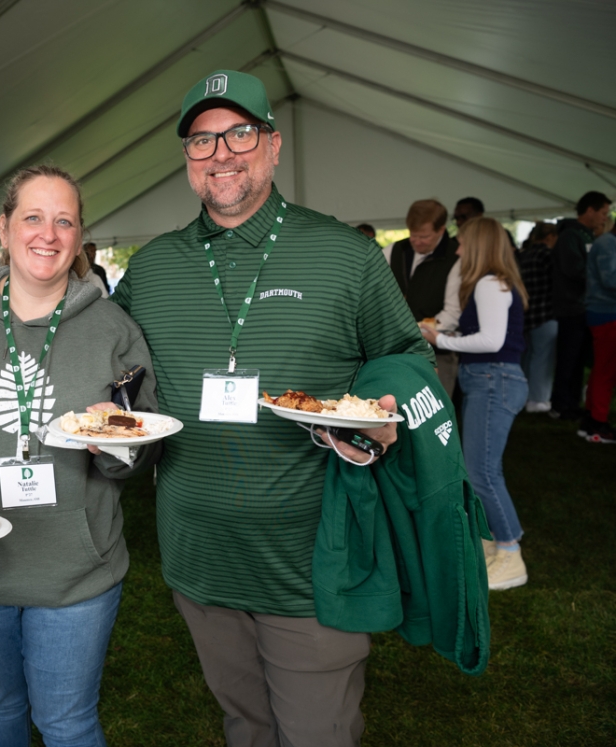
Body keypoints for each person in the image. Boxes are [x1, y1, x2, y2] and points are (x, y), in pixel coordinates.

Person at [112, 69, 432, 747]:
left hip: (310, 563)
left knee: (317, 732)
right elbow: (95, 353)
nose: (221, 152)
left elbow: (409, 358)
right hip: (199, 560)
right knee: (246, 725)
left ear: (274, 145)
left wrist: (381, 415)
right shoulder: (153, 268)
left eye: (239, 133)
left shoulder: (345, 256)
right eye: (202, 140)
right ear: (186, 159)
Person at [0, 165, 159, 747]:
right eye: (32, 217)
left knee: (66, 721)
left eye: (64, 221)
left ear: (79, 237)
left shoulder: (113, 329)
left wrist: (113, 446)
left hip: (77, 571)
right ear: (3, 229)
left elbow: (138, 451)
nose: (47, 234)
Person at [419, 217, 529, 590]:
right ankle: (498, 542)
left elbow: (492, 341)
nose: (459, 250)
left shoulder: (488, 283)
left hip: (493, 378)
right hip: (490, 379)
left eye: (464, 243)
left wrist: (441, 340)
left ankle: (510, 552)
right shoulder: (493, 283)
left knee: (482, 472)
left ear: (479, 245)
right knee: (480, 469)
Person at [383, 199, 461, 395]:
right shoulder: (394, 251)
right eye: (412, 235)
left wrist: (414, 331)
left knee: (436, 407)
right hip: (395, 351)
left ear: (441, 230)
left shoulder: (456, 257)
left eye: (424, 236)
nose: (416, 241)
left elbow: (452, 313)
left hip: (437, 353)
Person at [550, 191, 611, 420]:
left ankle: (571, 403)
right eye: (603, 213)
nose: (605, 218)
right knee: (568, 359)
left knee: (577, 362)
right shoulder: (570, 237)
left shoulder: (589, 236)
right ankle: (560, 405)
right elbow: (573, 270)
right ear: (590, 211)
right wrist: (598, 278)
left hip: (583, 307)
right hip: (570, 308)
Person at [581, 217, 616, 442]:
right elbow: (610, 279)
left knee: (602, 370)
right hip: (607, 313)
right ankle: (597, 423)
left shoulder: (606, 242)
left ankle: (592, 419)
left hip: (604, 312)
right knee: (606, 371)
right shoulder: (607, 243)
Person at [518, 223, 559, 412]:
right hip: (545, 313)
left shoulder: (525, 254)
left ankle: (526, 397)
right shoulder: (548, 255)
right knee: (543, 358)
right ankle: (539, 399)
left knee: (530, 358)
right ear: (550, 236)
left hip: (527, 314)